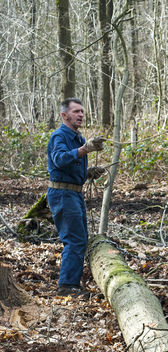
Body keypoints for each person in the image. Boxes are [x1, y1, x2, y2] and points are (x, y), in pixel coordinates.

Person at [47, 98, 105, 298]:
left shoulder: (77, 137)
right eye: (76, 111)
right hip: (63, 194)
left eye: (82, 111)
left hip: (74, 192)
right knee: (75, 240)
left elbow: (69, 166)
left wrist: (88, 173)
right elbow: (59, 159)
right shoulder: (59, 136)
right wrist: (85, 149)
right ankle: (67, 286)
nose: (81, 114)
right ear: (65, 115)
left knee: (80, 238)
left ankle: (72, 283)